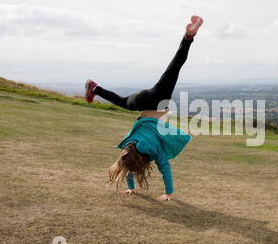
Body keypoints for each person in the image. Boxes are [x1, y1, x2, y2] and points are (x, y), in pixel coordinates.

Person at [84, 15, 203, 201]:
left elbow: (164, 169)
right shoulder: (129, 146)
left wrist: (169, 193)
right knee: (124, 100)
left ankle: (188, 37)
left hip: (157, 101)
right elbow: (128, 164)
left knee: (174, 68)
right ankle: (95, 88)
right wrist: (131, 187)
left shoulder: (153, 150)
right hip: (142, 99)